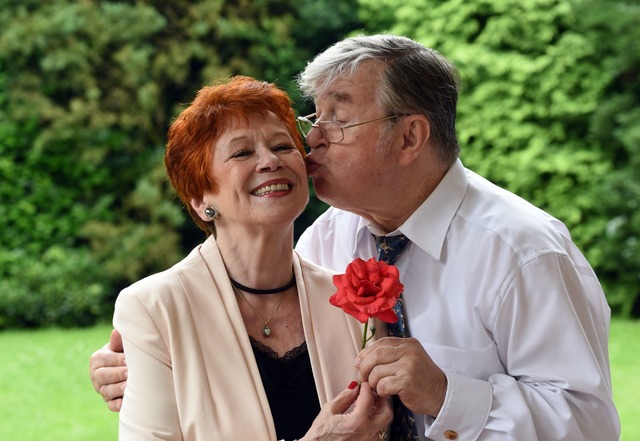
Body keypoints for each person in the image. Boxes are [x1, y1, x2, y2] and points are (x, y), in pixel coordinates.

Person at [91, 35, 621, 440]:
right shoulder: (330, 237)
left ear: (410, 136)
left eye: (337, 120)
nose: (310, 141)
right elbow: (245, 325)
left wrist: (445, 394)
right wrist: (147, 362)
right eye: (313, 119)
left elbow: (591, 425)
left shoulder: (524, 253)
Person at [103, 75, 392, 440]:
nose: (270, 161)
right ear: (201, 197)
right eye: (242, 152)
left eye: (283, 146)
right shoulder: (154, 308)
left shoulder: (354, 302)